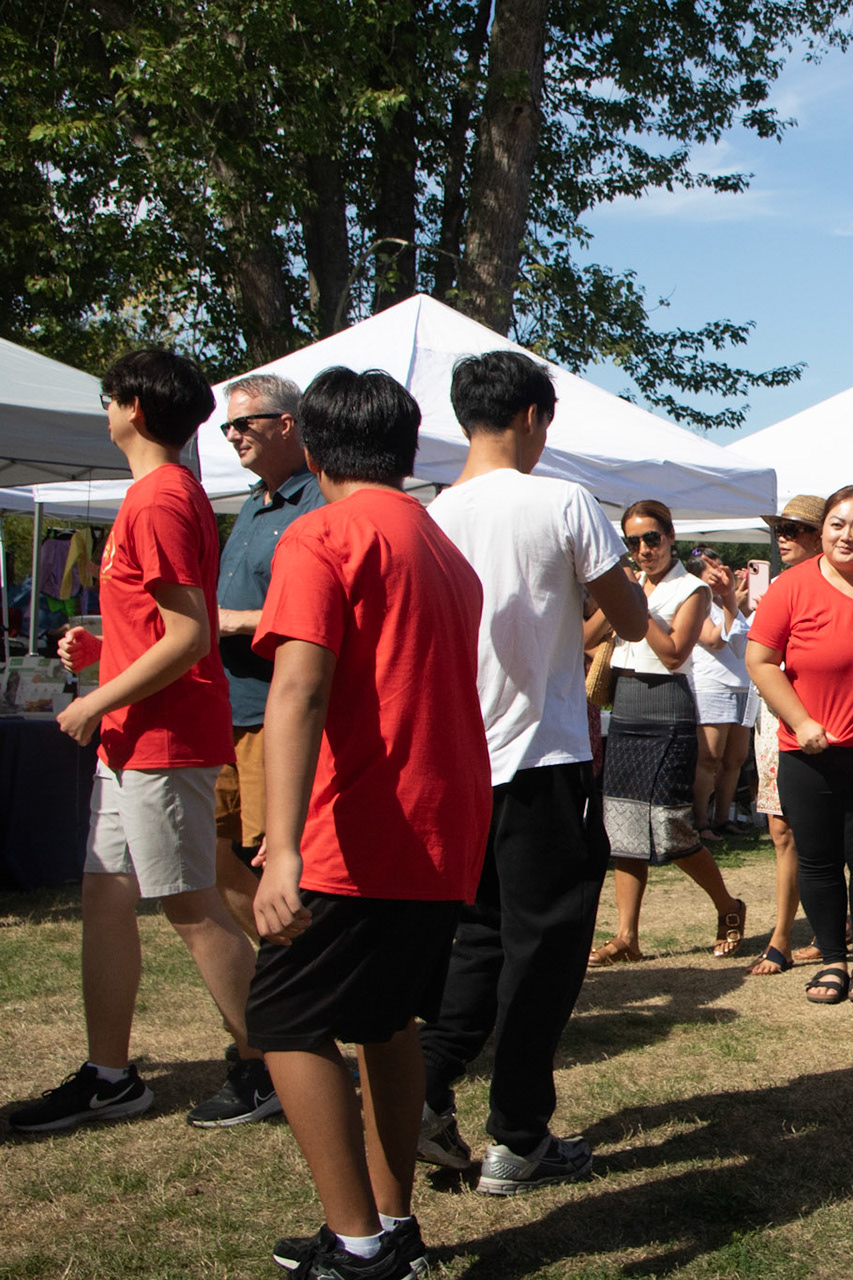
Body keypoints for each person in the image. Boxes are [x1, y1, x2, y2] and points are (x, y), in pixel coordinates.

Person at [244, 368, 491, 1279]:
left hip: (363, 825)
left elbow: (299, 690)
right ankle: (390, 1227)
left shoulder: (322, 534)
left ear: (311, 451)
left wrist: (282, 849)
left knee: (283, 1019)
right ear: (407, 448)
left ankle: (357, 1247)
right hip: (443, 821)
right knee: (387, 1022)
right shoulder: (442, 546)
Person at [415, 350, 651, 1194]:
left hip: (457, 760)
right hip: (543, 758)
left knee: (479, 935)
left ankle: (423, 1087)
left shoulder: (431, 516)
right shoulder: (562, 501)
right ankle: (518, 1134)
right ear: (531, 417)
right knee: (546, 949)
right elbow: (631, 619)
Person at [11, 349, 264, 1135]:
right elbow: (163, 629)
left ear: (135, 410)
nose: (106, 411)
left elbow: (190, 637)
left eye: (110, 399)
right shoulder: (156, 495)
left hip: (163, 739)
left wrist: (96, 701)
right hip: (138, 738)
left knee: (191, 905)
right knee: (106, 895)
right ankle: (110, 1075)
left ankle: (272, 1063)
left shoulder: (159, 500)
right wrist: (101, 653)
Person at [746, 485, 853, 1005]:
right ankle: (831, 960)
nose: (847, 536)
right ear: (822, 531)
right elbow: (760, 661)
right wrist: (801, 722)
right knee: (817, 859)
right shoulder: (791, 587)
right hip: (808, 750)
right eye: (837, 525)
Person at [587, 503, 748, 966]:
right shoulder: (629, 584)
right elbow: (586, 638)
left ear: (671, 537)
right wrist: (618, 598)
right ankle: (626, 936)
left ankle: (728, 905)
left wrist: (636, 608)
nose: (643, 549)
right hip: (626, 708)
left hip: (668, 710)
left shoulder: (691, 588)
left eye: (652, 538)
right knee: (623, 829)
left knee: (671, 828)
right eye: (633, 542)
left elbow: (676, 653)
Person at [211, 373, 326, 950]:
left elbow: (322, 613)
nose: (233, 435)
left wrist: (234, 621)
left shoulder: (318, 503)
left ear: (286, 425)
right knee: (213, 854)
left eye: (243, 423)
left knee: (271, 859)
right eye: (227, 426)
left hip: (271, 714)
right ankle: (271, 969)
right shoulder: (250, 506)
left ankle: (300, 977)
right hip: (223, 711)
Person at [745, 496, 827, 976]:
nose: (782, 537)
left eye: (793, 529)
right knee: (782, 829)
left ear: (819, 536)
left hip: (815, 718)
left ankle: (815, 928)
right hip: (772, 717)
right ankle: (786, 933)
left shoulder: (835, 586)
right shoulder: (778, 586)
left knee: (815, 829)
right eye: (779, 529)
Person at [687, 546, 757, 842]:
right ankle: (700, 821)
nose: (720, 576)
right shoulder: (696, 603)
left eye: (721, 569)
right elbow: (714, 640)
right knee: (710, 757)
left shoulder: (727, 602)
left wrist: (738, 598)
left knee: (736, 758)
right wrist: (732, 603)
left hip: (743, 684)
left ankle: (722, 818)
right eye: (712, 572)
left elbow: (743, 630)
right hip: (712, 685)